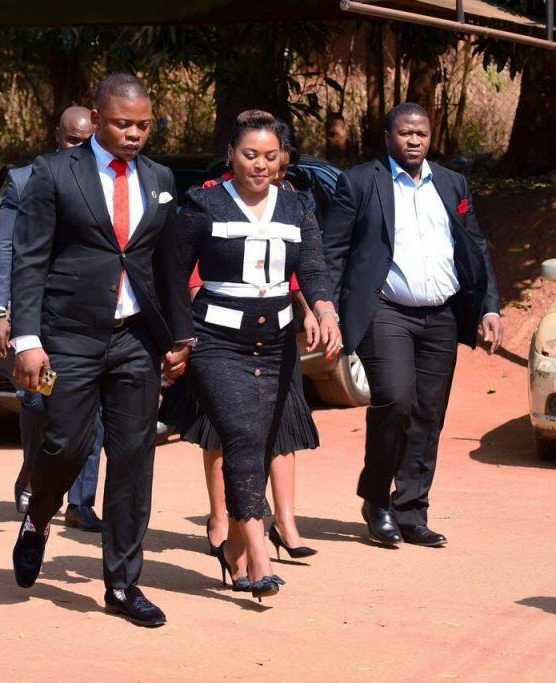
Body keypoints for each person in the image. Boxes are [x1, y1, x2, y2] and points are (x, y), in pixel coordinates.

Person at [9, 73, 193, 627]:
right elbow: (30, 259)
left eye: (143, 125)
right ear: (97, 116)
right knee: (64, 446)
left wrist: (179, 336)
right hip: (68, 336)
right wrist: (28, 339)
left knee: (134, 457)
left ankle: (122, 584)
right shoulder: (53, 173)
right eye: (121, 124)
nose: (134, 134)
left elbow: (169, 263)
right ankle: (39, 516)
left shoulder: (160, 178)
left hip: (135, 337)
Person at [170, 110, 340, 602]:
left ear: (283, 159)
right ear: (230, 156)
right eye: (249, 155)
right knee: (241, 433)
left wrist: (325, 313)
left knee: (262, 441)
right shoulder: (203, 203)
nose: (260, 165)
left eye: (270, 156)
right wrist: (177, 338)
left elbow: (313, 267)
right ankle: (259, 550)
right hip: (217, 342)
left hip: (278, 342)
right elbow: (174, 277)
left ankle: (234, 555)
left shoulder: (299, 205)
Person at [322, 102, 503, 548]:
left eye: (421, 132)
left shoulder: (452, 182)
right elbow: (333, 250)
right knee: (395, 400)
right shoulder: (361, 182)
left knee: (428, 413)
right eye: (405, 133)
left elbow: (474, 247)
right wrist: (324, 307)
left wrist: (489, 306)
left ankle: (412, 510)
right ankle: (377, 499)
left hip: (441, 313)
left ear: (430, 136)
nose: (414, 140)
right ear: (388, 137)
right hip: (386, 311)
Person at [0, 106, 104, 533]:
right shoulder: (25, 180)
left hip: (86, 316)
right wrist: (0, 311)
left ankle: (81, 502)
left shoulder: (111, 182)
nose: (81, 146)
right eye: (73, 139)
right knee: (37, 403)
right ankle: (33, 473)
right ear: (58, 136)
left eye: (88, 138)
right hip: (36, 314)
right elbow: (6, 250)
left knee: (92, 410)